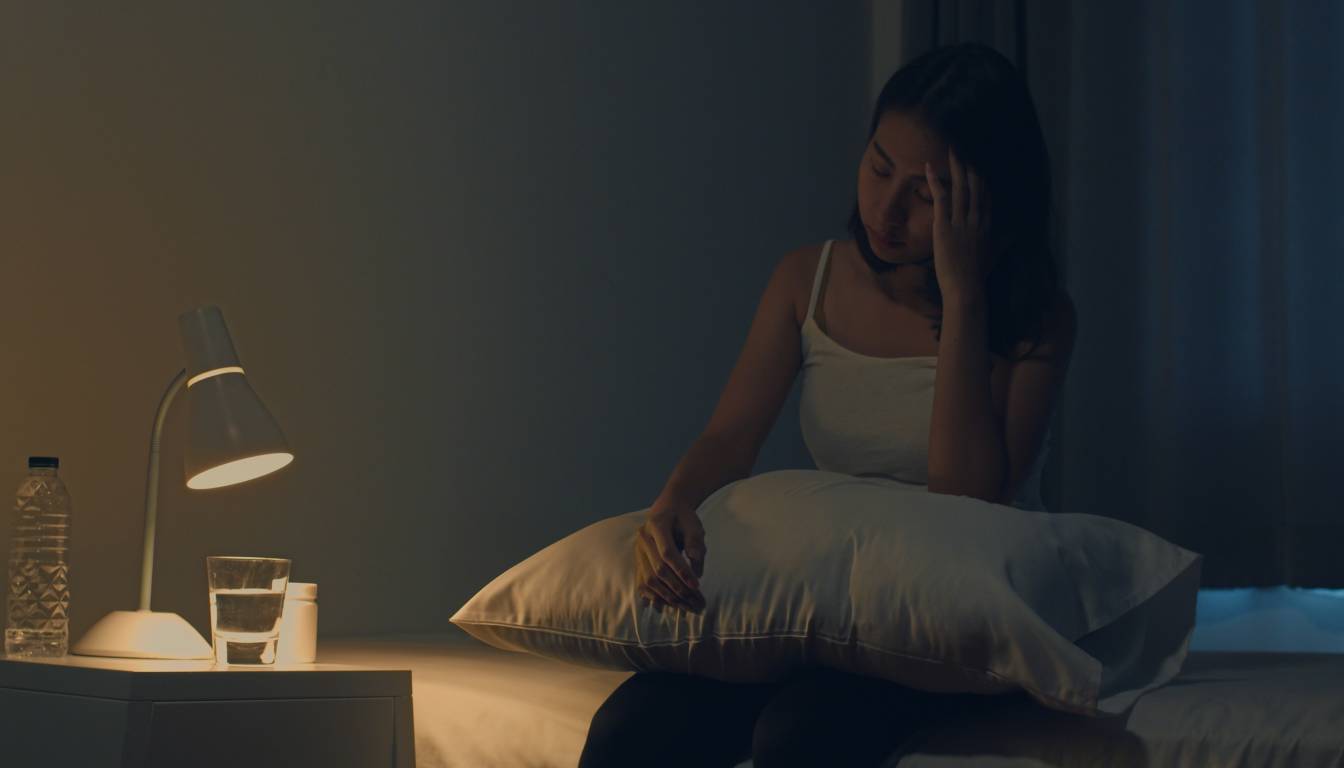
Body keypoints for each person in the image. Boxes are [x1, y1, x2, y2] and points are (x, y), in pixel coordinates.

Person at [579, 42, 1077, 768]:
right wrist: (673, 506)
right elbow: (728, 440)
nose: (887, 208)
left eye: (926, 193)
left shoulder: (1035, 319)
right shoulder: (805, 280)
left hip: (952, 615)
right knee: (635, 724)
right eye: (879, 167)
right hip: (833, 602)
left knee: (799, 735)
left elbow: (967, 501)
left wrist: (964, 294)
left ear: (981, 202)